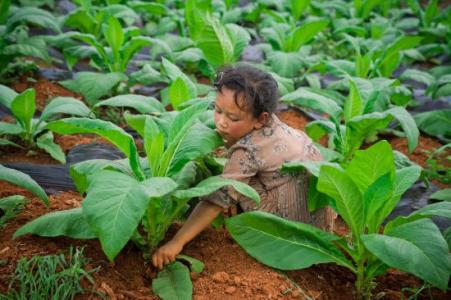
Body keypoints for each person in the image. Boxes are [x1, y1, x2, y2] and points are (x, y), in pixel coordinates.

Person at [152, 64, 336, 270]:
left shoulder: (248, 150)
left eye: (232, 118)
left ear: (261, 119)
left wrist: (177, 242)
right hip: (320, 228)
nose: (221, 122)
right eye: (218, 110)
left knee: (234, 184)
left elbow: (217, 199)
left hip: (288, 234)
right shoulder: (276, 127)